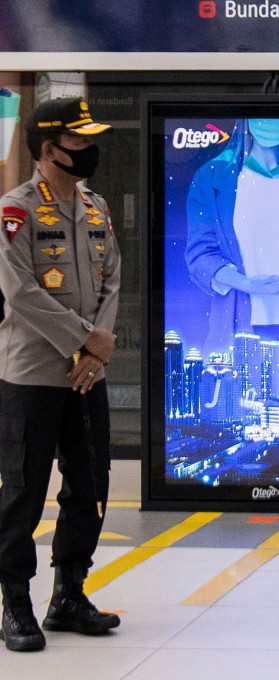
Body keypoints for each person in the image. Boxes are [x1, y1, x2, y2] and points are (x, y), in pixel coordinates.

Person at [0, 98, 121, 652]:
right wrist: (82, 340)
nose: (89, 150)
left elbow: (111, 280)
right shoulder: (15, 211)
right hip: (32, 376)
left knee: (90, 486)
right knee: (23, 492)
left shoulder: (95, 208)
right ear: (49, 150)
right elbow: (20, 293)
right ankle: (16, 606)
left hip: (86, 378)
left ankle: (68, 595)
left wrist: (95, 354)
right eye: (78, 142)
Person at [185, 118, 279, 359]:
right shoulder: (212, 177)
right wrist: (246, 284)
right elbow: (200, 257)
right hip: (239, 324)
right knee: (233, 395)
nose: (270, 120)